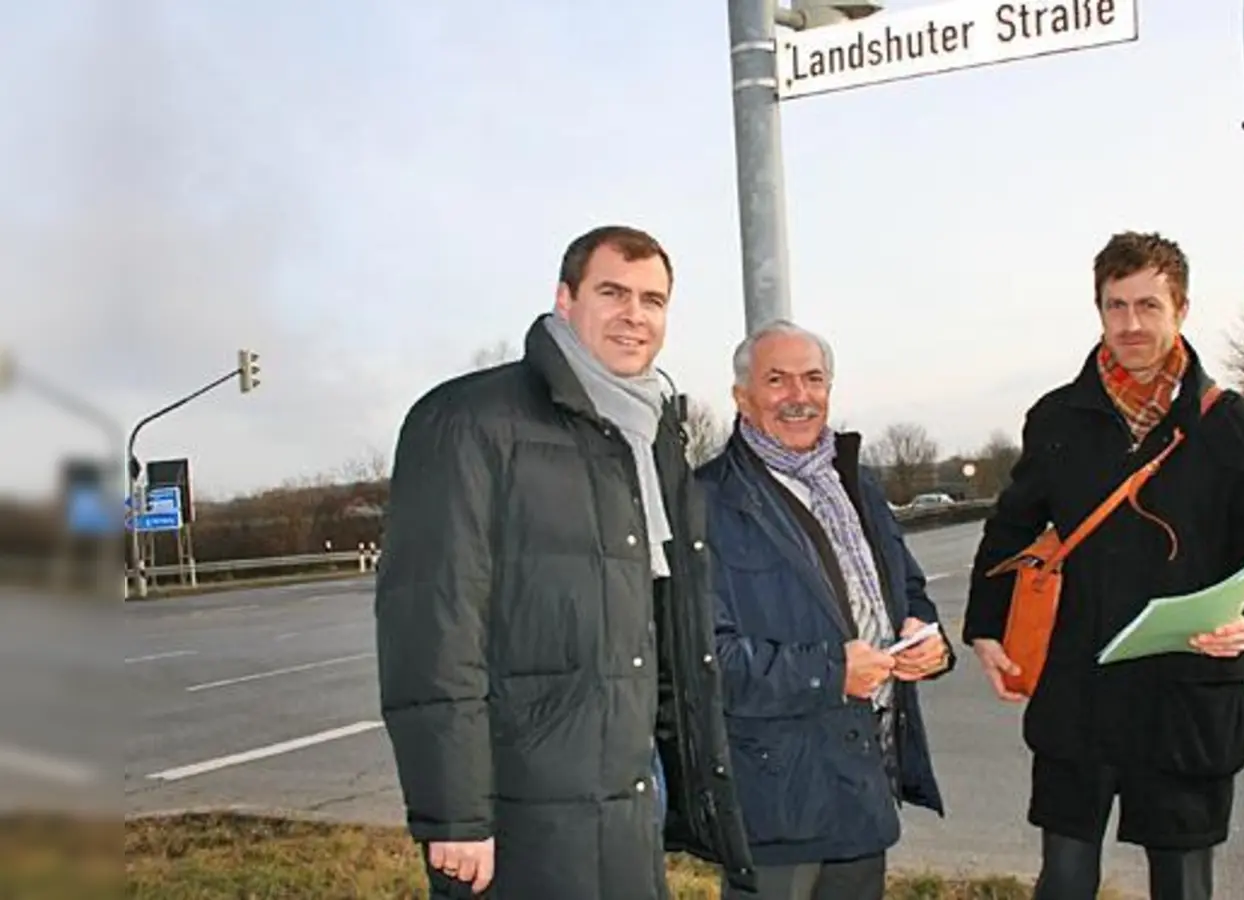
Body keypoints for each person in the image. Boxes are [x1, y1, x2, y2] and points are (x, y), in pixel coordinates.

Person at [374, 224, 757, 899]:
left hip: (630, 787)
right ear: (565, 299)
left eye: (652, 300)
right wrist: (455, 815)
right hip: (525, 801)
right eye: (612, 293)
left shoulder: (652, 433)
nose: (634, 315)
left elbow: (661, 627)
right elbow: (432, 627)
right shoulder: (469, 420)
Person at [962, 232, 1244, 900]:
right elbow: (1009, 530)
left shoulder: (1232, 428)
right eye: (1115, 306)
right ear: (1098, 310)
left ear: (1181, 309)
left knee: (1183, 885)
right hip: (1077, 691)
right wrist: (986, 627)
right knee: (1064, 880)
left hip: (1187, 696)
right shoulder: (1057, 419)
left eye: (1149, 305)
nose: (1131, 324)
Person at [696, 320, 952, 900]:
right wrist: (832, 672)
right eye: (777, 380)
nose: (799, 395)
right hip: (776, 799)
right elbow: (707, 659)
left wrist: (928, 641)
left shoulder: (856, 483)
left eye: (813, 379)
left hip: (864, 784)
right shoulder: (706, 500)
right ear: (742, 397)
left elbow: (908, 589)